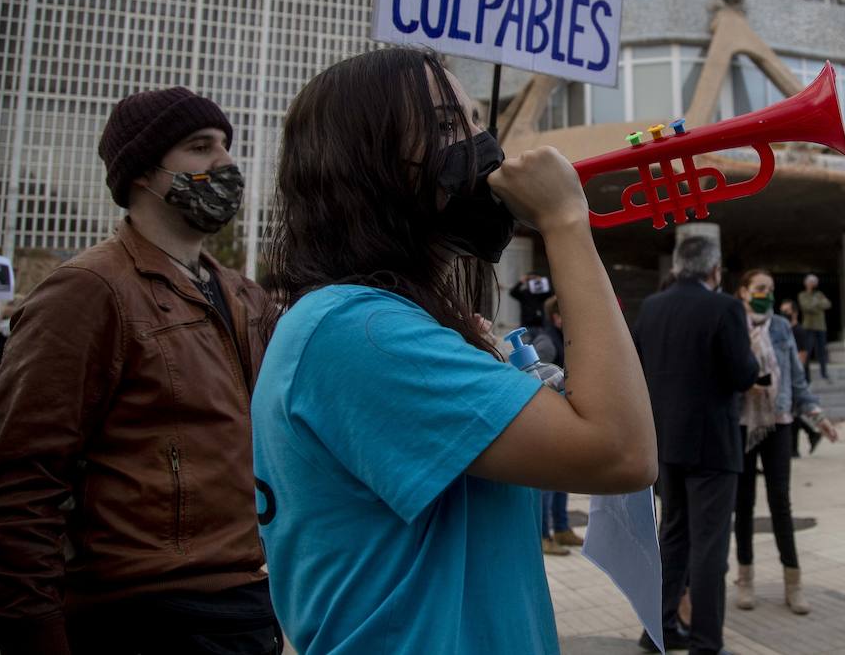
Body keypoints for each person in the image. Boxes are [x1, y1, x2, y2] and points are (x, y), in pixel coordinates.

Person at [250, 47, 657, 655]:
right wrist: (567, 222)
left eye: (474, 118)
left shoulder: (365, 323)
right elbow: (620, 451)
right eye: (446, 126)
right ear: (364, 162)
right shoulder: (361, 331)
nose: (482, 145)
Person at [0, 88, 281, 655]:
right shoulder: (90, 290)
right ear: (142, 175)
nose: (226, 164)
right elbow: (21, 480)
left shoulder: (243, 296)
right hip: (143, 615)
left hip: (246, 603)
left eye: (226, 147)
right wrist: (35, 636)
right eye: (200, 148)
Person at [635, 236, 758, 655]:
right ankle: (706, 641)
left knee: (673, 537)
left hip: (666, 441)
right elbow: (742, 373)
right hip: (712, 445)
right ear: (715, 270)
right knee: (709, 545)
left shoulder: (652, 307)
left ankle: (659, 629)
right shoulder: (724, 308)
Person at [732, 270, 839, 617]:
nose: (766, 294)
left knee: (781, 502)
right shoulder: (730, 324)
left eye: (771, 290)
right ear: (744, 292)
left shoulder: (780, 327)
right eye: (760, 288)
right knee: (743, 503)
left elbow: (795, 375)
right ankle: (745, 577)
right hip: (741, 423)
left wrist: (817, 416)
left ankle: (793, 582)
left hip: (777, 423)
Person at [531, 297, 582, 555]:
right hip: (549, 424)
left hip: (564, 421)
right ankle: (543, 536)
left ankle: (562, 528)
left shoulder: (563, 338)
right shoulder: (547, 343)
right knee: (548, 485)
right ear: (557, 318)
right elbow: (534, 381)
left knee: (563, 480)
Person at [797, 275, 832, 382]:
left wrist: (814, 304)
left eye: (814, 282)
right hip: (808, 326)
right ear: (806, 283)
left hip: (821, 326)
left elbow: (828, 304)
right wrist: (817, 303)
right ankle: (805, 374)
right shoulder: (802, 295)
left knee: (822, 351)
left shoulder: (819, 294)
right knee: (807, 351)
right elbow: (806, 307)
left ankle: (824, 373)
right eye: (811, 282)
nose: (813, 284)